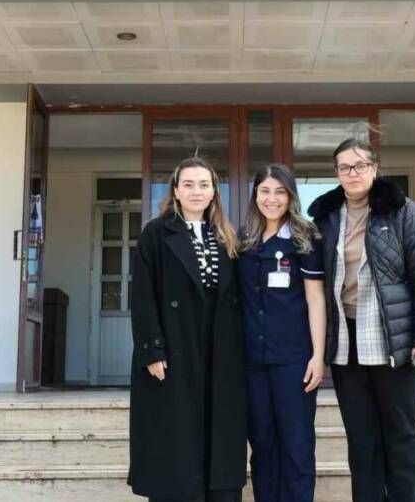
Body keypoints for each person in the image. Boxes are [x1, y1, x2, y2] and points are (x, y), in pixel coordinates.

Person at [307, 138, 415, 502]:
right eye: (344, 167)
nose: (352, 173)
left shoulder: (403, 211)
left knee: (400, 435)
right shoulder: (326, 217)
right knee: (362, 439)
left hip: (393, 341)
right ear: (336, 173)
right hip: (346, 344)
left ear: (374, 167)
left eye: (359, 165)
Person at [128, 156, 247, 502]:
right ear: (176, 191)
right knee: (176, 437)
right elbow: (142, 295)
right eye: (189, 184)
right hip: (175, 348)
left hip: (219, 350)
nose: (197, 191)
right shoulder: (156, 233)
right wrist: (152, 348)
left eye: (204, 185)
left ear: (214, 192)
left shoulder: (227, 235)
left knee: (219, 434)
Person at [237, 163, 327, 502]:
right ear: (255, 196)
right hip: (252, 360)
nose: (271, 199)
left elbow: (315, 299)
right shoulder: (244, 241)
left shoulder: (306, 238)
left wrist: (317, 357)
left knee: (296, 443)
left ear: (290, 196)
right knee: (262, 443)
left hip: (293, 359)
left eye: (280, 191)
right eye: (265, 191)